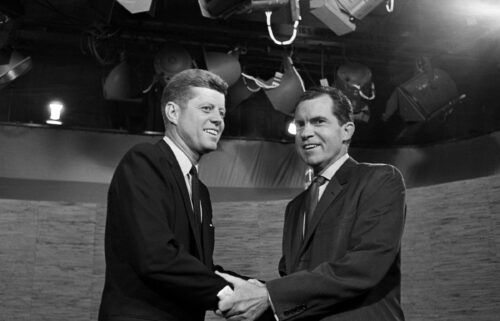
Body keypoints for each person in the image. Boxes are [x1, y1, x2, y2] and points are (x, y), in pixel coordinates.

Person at [218, 86, 407, 321]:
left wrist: (269, 295)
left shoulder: (380, 179)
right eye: (300, 124)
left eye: (318, 122)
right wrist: (242, 290)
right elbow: (295, 282)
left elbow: (365, 266)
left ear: (346, 130)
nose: (306, 132)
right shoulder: (295, 207)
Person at [98, 69, 233, 321]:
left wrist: (263, 292)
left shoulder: (199, 190)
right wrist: (230, 295)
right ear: (173, 112)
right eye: (206, 108)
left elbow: (199, 268)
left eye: (222, 112)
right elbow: (156, 256)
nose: (218, 119)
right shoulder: (144, 161)